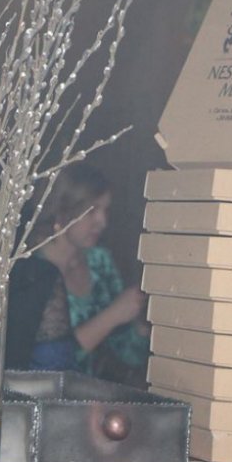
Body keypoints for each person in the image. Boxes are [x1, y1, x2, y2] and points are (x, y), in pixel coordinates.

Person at [29, 163, 149, 386]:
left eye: (105, 210)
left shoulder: (99, 261)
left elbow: (130, 354)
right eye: (92, 211)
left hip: (91, 398)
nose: (102, 222)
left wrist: (145, 319)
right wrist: (112, 315)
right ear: (62, 210)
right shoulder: (30, 270)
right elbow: (45, 364)